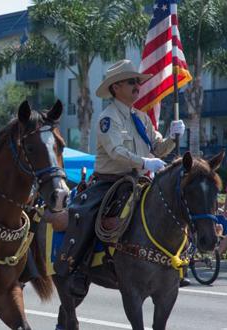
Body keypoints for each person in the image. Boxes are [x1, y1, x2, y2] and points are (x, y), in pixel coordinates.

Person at [53, 59, 185, 296]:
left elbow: (158, 147)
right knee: (86, 216)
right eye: (131, 82)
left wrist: (172, 137)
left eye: (137, 81)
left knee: (172, 207)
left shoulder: (142, 118)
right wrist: (144, 162)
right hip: (108, 183)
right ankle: (78, 269)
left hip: (139, 181)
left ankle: (175, 261)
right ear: (116, 88)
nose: (137, 86)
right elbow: (115, 151)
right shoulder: (107, 118)